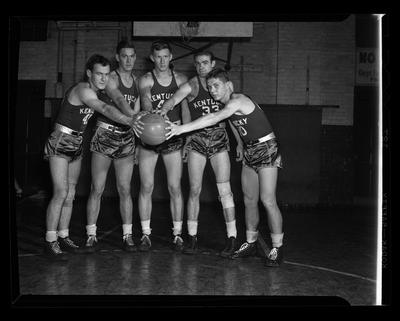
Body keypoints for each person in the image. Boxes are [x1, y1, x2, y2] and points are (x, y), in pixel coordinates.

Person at [166, 68, 284, 267]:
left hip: (267, 148)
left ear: (228, 85)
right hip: (249, 150)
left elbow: (216, 118)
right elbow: (235, 125)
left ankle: (277, 247)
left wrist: (181, 129)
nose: (212, 90)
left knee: (268, 199)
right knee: (249, 200)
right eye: (210, 87)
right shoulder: (228, 105)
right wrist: (239, 144)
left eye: (216, 85)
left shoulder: (237, 100)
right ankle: (251, 242)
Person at [43, 54, 139, 259]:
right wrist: (128, 120)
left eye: (106, 74)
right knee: (60, 192)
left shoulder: (99, 91)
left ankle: (63, 235)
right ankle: (50, 241)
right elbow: (104, 108)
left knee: (70, 193)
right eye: (99, 74)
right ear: (89, 74)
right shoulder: (83, 89)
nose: (104, 78)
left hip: (76, 142)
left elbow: (117, 98)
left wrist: (133, 114)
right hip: (61, 140)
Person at [159, 51, 238, 257]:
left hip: (219, 138)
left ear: (213, 63)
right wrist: (163, 110)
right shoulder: (193, 85)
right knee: (194, 189)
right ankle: (192, 237)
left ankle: (232, 237)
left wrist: (239, 141)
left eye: (205, 63)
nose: (201, 66)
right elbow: (174, 98)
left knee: (225, 191)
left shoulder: (222, 85)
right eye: (198, 63)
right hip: (196, 139)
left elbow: (234, 114)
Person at [82, 40, 144, 253]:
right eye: (124, 56)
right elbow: (118, 99)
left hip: (127, 137)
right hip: (105, 134)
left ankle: (127, 235)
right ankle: (91, 234)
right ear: (117, 57)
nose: (129, 60)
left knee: (125, 189)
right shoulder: (110, 77)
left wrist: (137, 138)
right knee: (97, 188)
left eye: (132, 56)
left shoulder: (137, 81)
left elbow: (137, 108)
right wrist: (134, 117)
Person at [136, 40, 190, 252]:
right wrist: (154, 113)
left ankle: (177, 234)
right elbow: (146, 99)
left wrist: (186, 138)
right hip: (150, 136)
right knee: (146, 186)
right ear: (152, 58)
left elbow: (185, 111)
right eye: (158, 56)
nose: (162, 60)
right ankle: (145, 234)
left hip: (172, 134)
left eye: (166, 56)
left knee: (174, 187)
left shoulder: (181, 79)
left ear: (171, 57)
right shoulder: (146, 79)